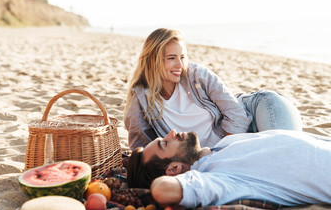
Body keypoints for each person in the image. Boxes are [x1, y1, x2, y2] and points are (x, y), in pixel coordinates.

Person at [124, 28, 302, 151]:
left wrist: (216, 154)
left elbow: (238, 115)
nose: (180, 64)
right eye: (171, 58)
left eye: (182, 57)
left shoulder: (197, 75)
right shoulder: (141, 99)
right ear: (152, 60)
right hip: (237, 147)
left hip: (261, 110)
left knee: (286, 154)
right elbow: (142, 148)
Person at [126, 129, 331, 209]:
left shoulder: (222, 146)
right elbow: (163, 189)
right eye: (165, 143)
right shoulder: (217, 178)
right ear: (173, 169)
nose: (171, 133)